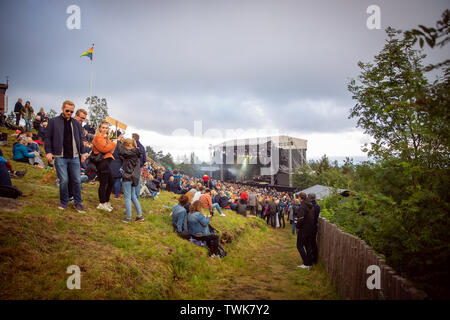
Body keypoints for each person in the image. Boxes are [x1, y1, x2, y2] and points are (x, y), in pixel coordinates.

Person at [44, 100, 88, 212]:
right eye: (67, 110)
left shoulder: (76, 124)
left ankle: (78, 202)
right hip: (60, 156)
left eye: (71, 111)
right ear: (62, 109)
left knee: (77, 180)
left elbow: (80, 140)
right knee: (64, 180)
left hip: (74, 156)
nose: (69, 113)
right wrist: (48, 152)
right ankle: (64, 201)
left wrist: (83, 153)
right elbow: (47, 137)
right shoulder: (54, 121)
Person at [117, 137, 144, 223]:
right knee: (133, 196)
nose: (124, 148)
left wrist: (118, 142)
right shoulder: (136, 152)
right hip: (133, 178)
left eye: (125, 146)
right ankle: (139, 215)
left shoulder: (131, 151)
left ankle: (128, 217)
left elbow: (122, 152)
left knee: (127, 197)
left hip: (128, 176)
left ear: (129, 145)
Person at [92, 121, 117, 212]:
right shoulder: (98, 137)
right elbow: (104, 149)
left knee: (111, 182)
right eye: (103, 127)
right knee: (103, 183)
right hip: (101, 162)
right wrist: (113, 144)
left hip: (107, 161)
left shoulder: (107, 138)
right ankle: (101, 203)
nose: (105, 129)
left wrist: (111, 145)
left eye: (106, 128)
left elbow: (111, 151)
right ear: (99, 128)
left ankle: (106, 201)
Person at [296, 192, 315, 270]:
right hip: (310, 228)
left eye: (298, 198)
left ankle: (306, 263)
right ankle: (309, 263)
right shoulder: (310, 205)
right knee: (307, 246)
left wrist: (297, 226)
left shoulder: (303, 206)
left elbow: (300, 218)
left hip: (304, 229)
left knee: (299, 246)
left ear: (300, 198)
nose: (298, 199)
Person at [132, 133, 146, 200]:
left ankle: (134, 195)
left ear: (133, 138)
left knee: (133, 180)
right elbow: (144, 158)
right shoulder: (142, 147)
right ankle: (136, 196)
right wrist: (141, 165)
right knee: (137, 180)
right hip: (139, 165)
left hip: (133, 165)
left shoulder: (133, 145)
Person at [308, 193, 321, 265]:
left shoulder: (309, 206)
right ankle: (315, 259)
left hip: (309, 226)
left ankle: (310, 259)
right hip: (315, 226)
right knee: (313, 243)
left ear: (309, 198)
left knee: (308, 243)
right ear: (315, 198)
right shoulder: (318, 206)